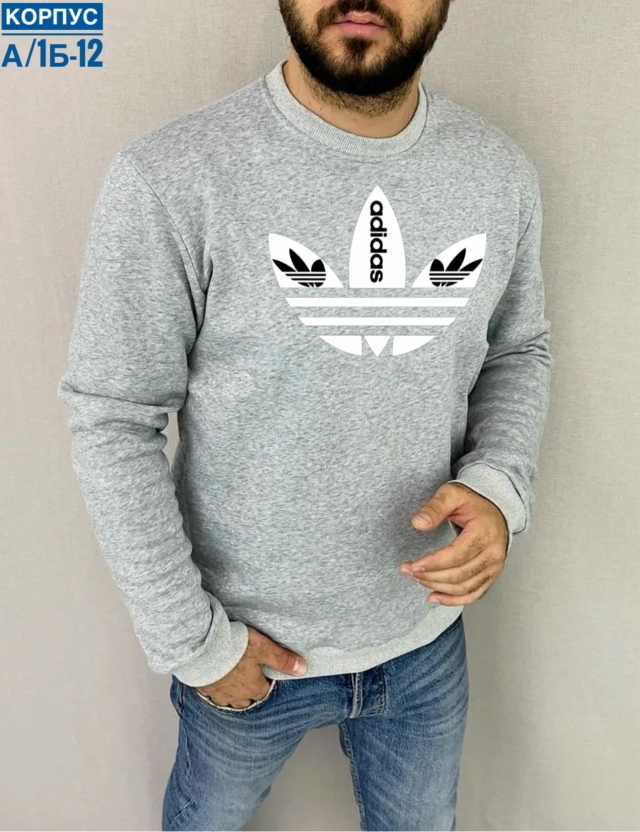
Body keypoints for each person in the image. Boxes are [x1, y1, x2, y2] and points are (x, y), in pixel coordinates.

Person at [57, 0, 553, 829]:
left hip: (425, 640)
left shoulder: (498, 173)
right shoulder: (173, 176)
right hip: (242, 650)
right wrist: (193, 644)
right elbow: (113, 417)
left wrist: (498, 487)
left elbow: (517, 349)